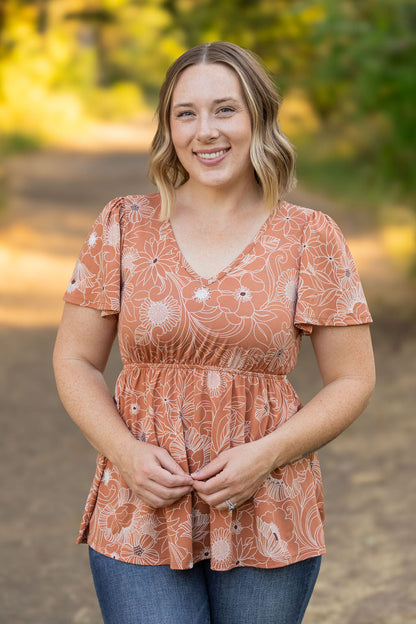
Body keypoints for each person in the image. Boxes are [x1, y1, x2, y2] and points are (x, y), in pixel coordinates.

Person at [53, 41, 375, 624]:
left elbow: (353, 378)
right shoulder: (123, 224)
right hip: (141, 507)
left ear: (259, 117)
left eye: (225, 109)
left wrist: (266, 455)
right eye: (186, 113)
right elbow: (75, 361)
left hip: (268, 509)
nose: (206, 131)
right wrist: (125, 455)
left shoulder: (310, 237)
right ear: (168, 128)